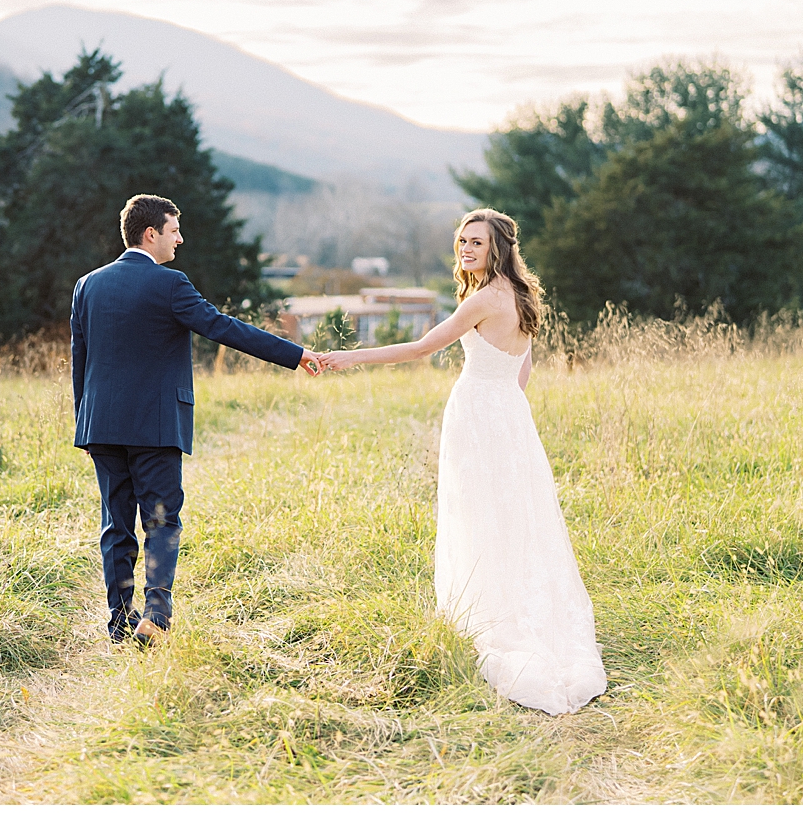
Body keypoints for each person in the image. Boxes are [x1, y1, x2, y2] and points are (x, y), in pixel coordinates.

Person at [319, 208, 606, 714]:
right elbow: (524, 366)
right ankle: (516, 605)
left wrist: (348, 358)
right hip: (510, 417)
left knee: (477, 514)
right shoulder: (522, 296)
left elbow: (423, 349)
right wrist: (505, 409)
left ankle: (492, 616)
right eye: (462, 242)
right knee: (511, 515)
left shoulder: (485, 298)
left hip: (479, 414)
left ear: (499, 247)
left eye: (477, 242)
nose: (466, 250)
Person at [70, 193, 323, 646]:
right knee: (162, 520)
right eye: (173, 231)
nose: (179, 240)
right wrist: (295, 353)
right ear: (151, 234)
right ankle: (155, 614)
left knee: (116, 524)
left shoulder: (87, 285)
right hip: (156, 425)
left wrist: (84, 423)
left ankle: (118, 623)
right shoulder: (170, 284)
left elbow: (80, 361)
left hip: (100, 426)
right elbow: (225, 327)